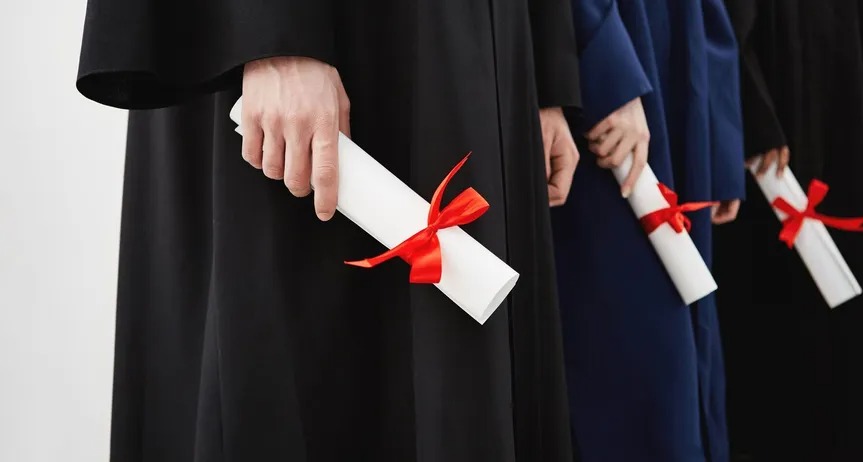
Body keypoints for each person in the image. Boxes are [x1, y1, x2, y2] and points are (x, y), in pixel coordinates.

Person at [75, 1, 583, 461]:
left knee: (462, 379)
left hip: (479, 45)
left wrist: (544, 74)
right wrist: (271, 34)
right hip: (318, 44)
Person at [551, 0, 746, 460]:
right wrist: (607, 68)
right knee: (632, 332)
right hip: (617, 43)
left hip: (673, 54)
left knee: (687, 333)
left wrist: (720, 143)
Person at [715, 1, 863, 461]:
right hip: (769, 142)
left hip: (840, 128)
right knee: (769, 342)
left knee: (842, 346)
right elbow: (719, 21)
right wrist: (753, 118)